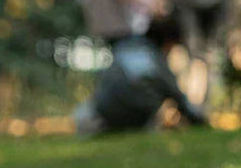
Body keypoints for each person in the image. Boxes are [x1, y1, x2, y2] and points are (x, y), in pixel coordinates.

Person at [72, 16, 207, 135]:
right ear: (169, 42)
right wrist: (200, 121)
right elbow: (178, 97)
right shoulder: (156, 61)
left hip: (103, 112)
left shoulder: (124, 47)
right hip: (136, 120)